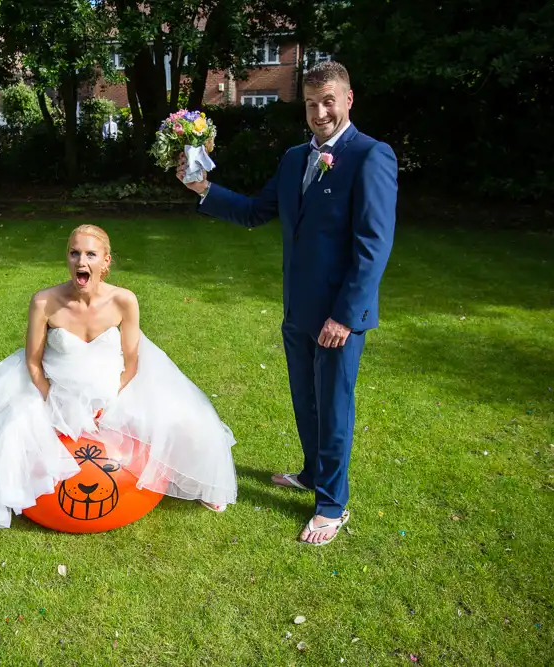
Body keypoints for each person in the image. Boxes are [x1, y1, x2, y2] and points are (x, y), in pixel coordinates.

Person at [177, 60, 397, 546]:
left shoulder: (371, 156)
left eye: (328, 101)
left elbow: (373, 244)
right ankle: (313, 473)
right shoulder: (295, 158)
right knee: (306, 399)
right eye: (312, 103)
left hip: (339, 313)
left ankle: (333, 506)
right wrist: (203, 189)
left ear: (348, 99)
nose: (319, 112)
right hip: (297, 308)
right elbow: (257, 212)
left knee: (334, 406)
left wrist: (346, 314)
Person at [0, 224, 237, 535]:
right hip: (54, 387)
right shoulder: (44, 301)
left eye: (91, 255)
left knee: (186, 422)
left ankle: (203, 484)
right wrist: (50, 397)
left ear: (106, 261)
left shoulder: (124, 300)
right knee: (8, 432)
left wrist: (109, 403)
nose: (81, 261)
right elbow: (33, 363)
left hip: (113, 389)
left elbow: (132, 363)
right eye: (74, 253)